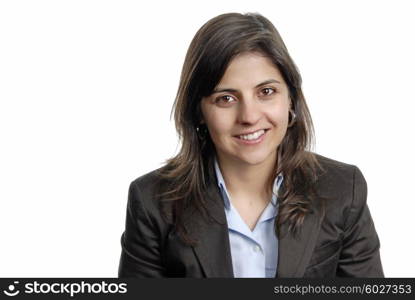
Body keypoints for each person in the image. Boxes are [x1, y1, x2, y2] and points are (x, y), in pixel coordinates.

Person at [118, 12, 383, 278]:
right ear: (199, 111)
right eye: (226, 98)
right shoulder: (152, 201)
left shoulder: (343, 189)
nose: (249, 117)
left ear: (291, 98)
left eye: (266, 92)